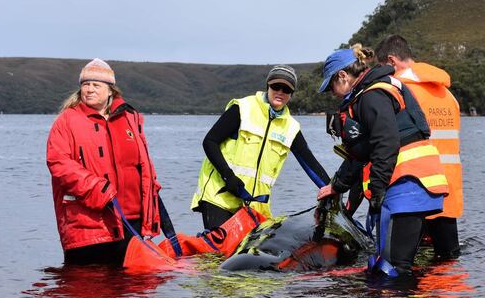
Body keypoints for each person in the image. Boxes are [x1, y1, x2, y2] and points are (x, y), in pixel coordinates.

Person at [316, 44, 449, 277]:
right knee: (401, 265)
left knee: (392, 269)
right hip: (417, 187)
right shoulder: (378, 89)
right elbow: (363, 153)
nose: (333, 94)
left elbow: (386, 142)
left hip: (406, 186)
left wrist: (377, 192)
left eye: (331, 87)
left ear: (343, 76)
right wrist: (336, 186)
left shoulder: (371, 96)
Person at [46, 59, 176, 265]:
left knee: (133, 288)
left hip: (132, 218)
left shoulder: (130, 118)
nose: (89, 90)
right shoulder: (66, 121)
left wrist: (151, 195)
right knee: (87, 288)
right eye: (85, 85)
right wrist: (97, 188)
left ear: (110, 90)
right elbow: (59, 163)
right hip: (90, 222)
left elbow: (144, 164)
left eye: (96, 85)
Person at [191, 65, 330, 228]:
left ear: (291, 94)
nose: (280, 92)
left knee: (250, 253)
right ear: (268, 86)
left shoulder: (291, 127)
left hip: (255, 207)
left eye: (286, 89)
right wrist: (228, 176)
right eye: (276, 86)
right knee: (221, 252)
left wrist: (332, 189)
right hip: (220, 197)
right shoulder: (243, 109)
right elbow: (210, 141)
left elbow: (310, 163)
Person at [375, 34, 462, 260]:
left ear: (392, 62)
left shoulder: (400, 90)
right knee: (447, 261)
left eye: (381, 68)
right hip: (447, 188)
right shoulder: (447, 94)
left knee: (406, 264)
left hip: (414, 188)